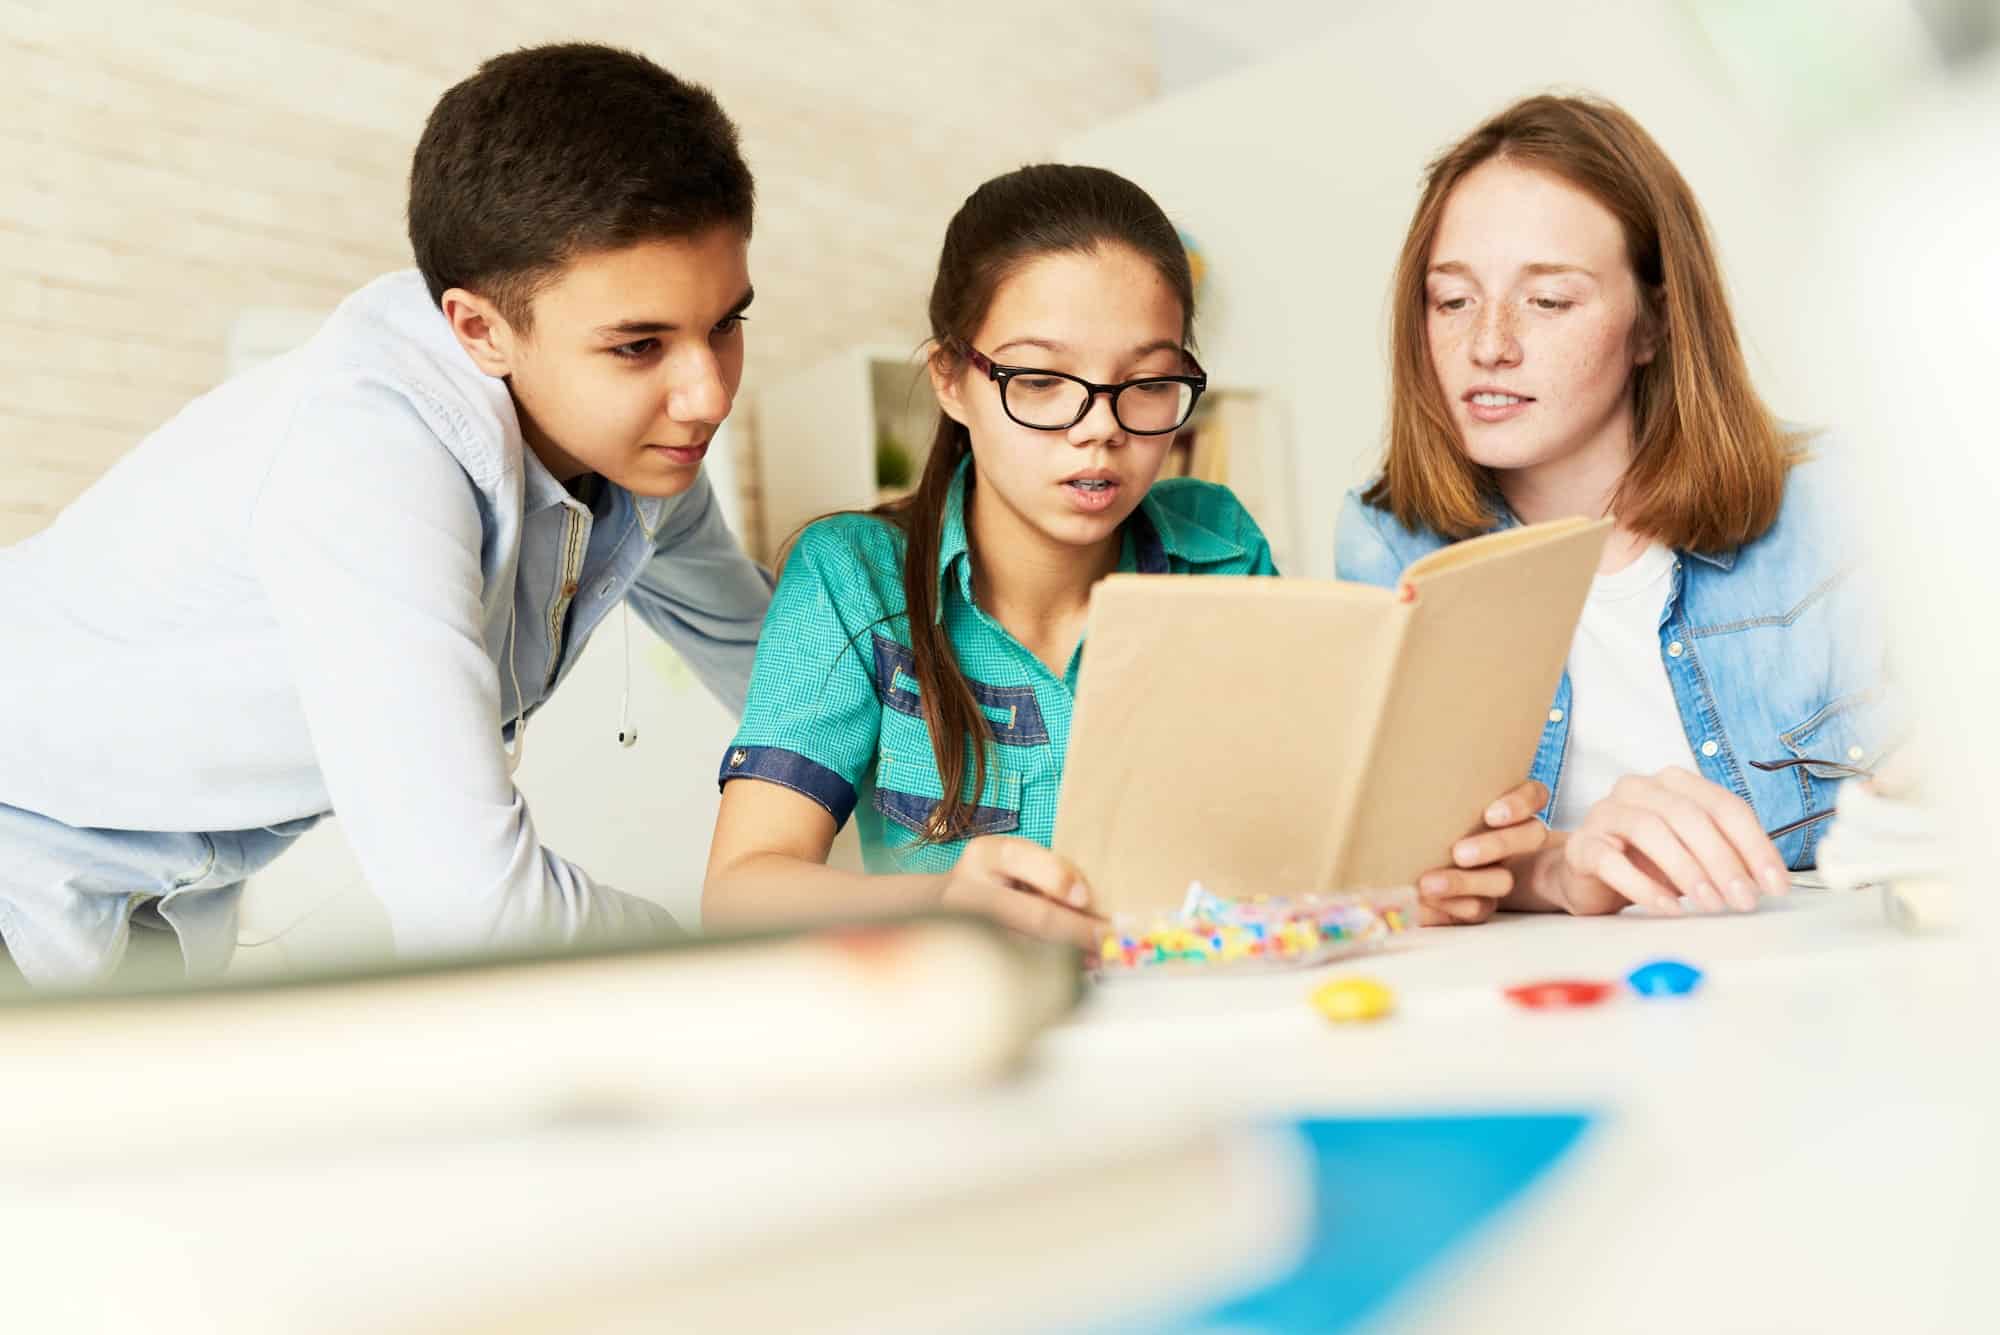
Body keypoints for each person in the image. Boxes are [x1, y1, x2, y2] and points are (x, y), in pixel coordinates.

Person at [0, 44, 771, 985]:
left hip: (146, 920)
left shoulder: (649, 472)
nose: (706, 396)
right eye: (639, 345)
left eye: (726, 323)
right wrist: (769, 966)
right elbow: (477, 910)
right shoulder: (371, 461)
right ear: (479, 328)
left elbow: (789, 686)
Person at [705, 164, 1547, 945]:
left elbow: (1287, 838)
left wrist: (1414, 875)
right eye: (1039, 379)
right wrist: (949, 898)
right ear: (952, 379)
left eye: (1146, 381)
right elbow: (742, 889)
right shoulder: (850, 576)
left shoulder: (1216, 546)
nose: (1100, 426)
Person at [1338, 93, 1893, 918]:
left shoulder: (1838, 504)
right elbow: (1411, 864)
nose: (1487, 344)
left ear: (1655, 323)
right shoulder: (1387, 541)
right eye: (1451, 301)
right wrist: (1557, 867)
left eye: (1548, 301)